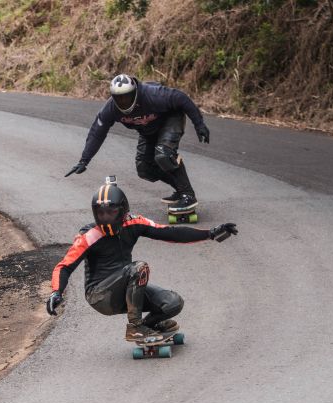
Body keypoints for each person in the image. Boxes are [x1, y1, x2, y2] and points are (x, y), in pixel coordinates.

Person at [46, 179, 238, 341]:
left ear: (123, 210)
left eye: (110, 212)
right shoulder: (89, 235)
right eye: (100, 213)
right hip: (100, 295)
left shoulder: (134, 223)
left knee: (173, 303)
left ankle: (149, 326)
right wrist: (56, 292)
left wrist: (211, 233)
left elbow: (170, 232)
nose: (105, 218)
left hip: (127, 288)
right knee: (138, 268)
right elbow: (65, 266)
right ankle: (135, 328)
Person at [64, 74, 211, 213]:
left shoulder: (153, 94)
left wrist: (199, 124)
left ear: (135, 92)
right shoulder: (111, 108)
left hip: (170, 119)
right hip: (148, 131)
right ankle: (181, 189)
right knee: (144, 169)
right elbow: (97, 132)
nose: (123, 102)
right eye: (119, 98)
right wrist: (84, 160)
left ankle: (187, 195)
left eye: (127, 97)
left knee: (163, 155)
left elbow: (181, 98)